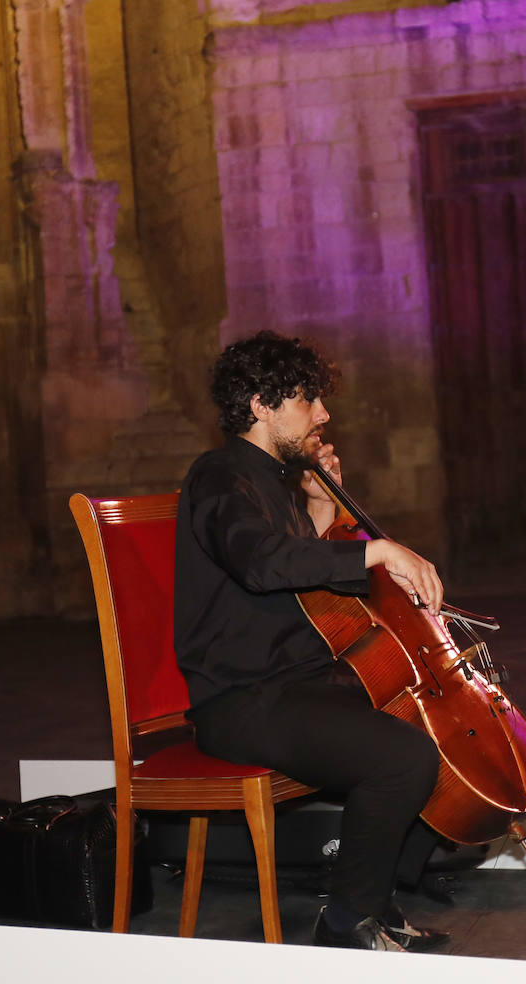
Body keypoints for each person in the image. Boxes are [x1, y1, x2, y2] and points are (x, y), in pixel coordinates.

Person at [174, 330, 451, 950]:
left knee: (438, 734)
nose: (323, 414)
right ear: (260, 405)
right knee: (401, 758)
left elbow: (302, 577)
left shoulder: (277, 478)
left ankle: (375, 899)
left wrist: (323, 511)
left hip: (296, 685)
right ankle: (345, 923)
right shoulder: (219, 477)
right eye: (307, 399)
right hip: (242, 699)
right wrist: (375, 549)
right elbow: (261, 563)